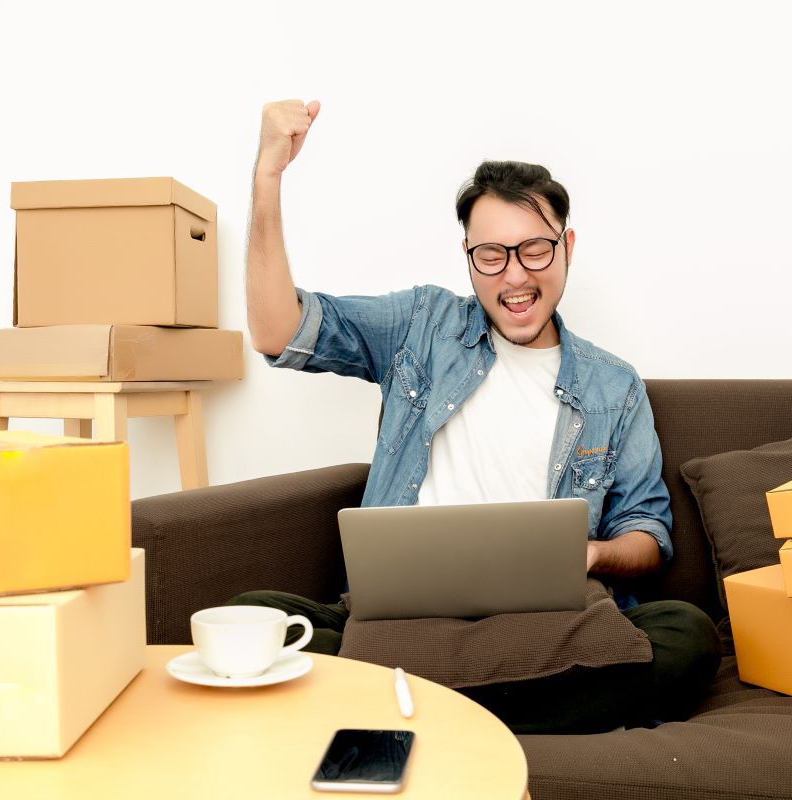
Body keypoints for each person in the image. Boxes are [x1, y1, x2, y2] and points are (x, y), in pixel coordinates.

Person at [236, 98, 720, 733]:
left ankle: (414, 711)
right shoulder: (421, 326)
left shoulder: (612, 386)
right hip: (406, 623)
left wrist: (590, 556)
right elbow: (278, 331)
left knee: (688, 634)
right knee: (251, 619)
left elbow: (647, 538)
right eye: (491, 255)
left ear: (567, 246)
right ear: (468, 256)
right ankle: (500, 711)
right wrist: (267, 177)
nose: (514, 276)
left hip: (550, 627)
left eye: (535, 251)